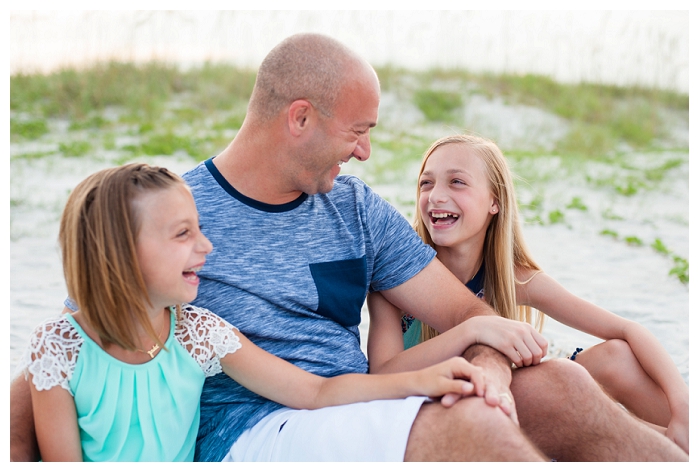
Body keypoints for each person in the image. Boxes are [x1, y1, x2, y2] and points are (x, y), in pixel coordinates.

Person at [10, 33, 688, 462]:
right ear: (299, 118)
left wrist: (491, 373)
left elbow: (466, 317)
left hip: (362, 402)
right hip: (257, 432)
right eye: (357, 131)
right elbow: (73, 353)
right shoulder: (168, 222)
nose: (366, 151)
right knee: (471, 435)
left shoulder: (356, 208)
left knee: (563, 387)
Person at [17, 162, 488, 461]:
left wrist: (418, 381)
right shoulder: (57, 350)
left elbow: (316, 391)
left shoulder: (199, 333)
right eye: (183, 235)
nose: (206, 246)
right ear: (119, 253)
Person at [366, 134, 690, 454]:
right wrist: (470, 331)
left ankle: (683, 434)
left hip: (508, 389)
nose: (436, 196)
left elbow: (628, 329)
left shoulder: (515, 277)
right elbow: (382, 374)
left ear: (495, 201)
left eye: (456, 182)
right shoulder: (397, 275)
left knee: (618, 356)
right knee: (602, 421)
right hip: (439, 402)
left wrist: (682, 408)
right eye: (426, 183)